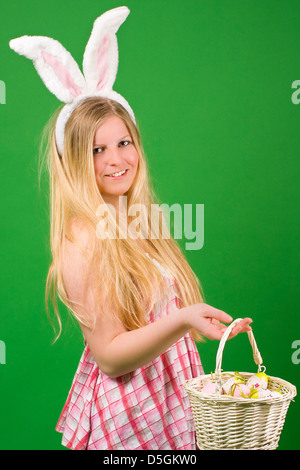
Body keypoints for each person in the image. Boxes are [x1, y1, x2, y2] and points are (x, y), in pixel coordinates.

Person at [9, 7, 252, 450]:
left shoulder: (139, 221)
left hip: (172, 394)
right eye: (97, 150)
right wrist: (181, 320)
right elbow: (109, 356)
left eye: (123, 143)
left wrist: (198, 324)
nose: (115, 160)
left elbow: (156, 313)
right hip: (133, 409)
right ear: (74, 161)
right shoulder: (83, 239)